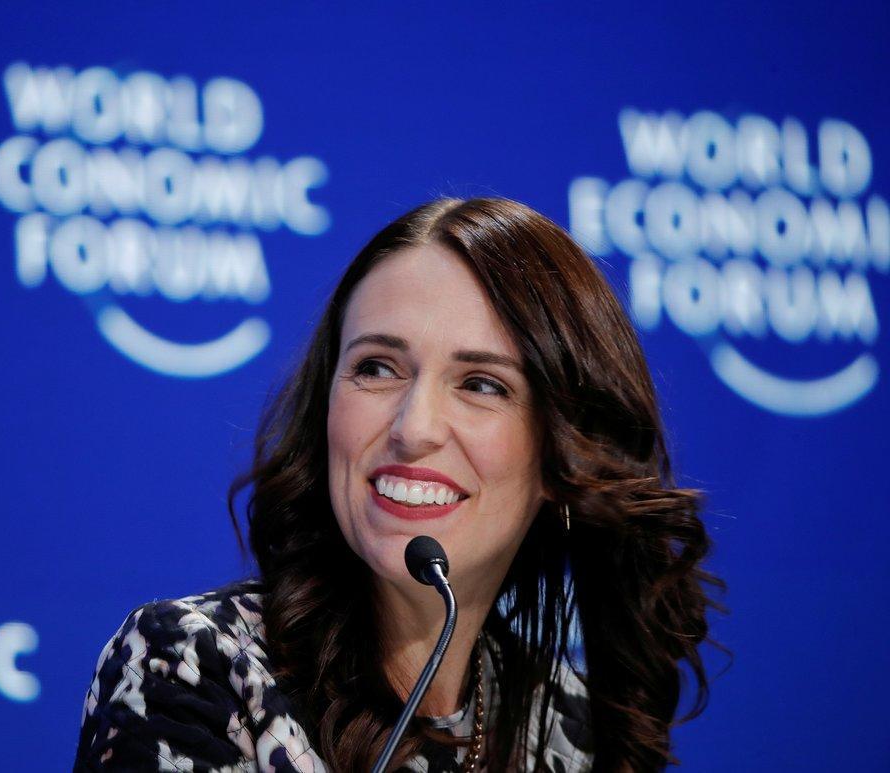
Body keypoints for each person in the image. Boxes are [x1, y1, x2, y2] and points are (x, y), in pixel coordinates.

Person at [72, 197, 722, 772]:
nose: (414, 427)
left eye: (481, 384)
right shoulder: (195, 665)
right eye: (377, 367)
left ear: (564, 455)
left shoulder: (572, 728)